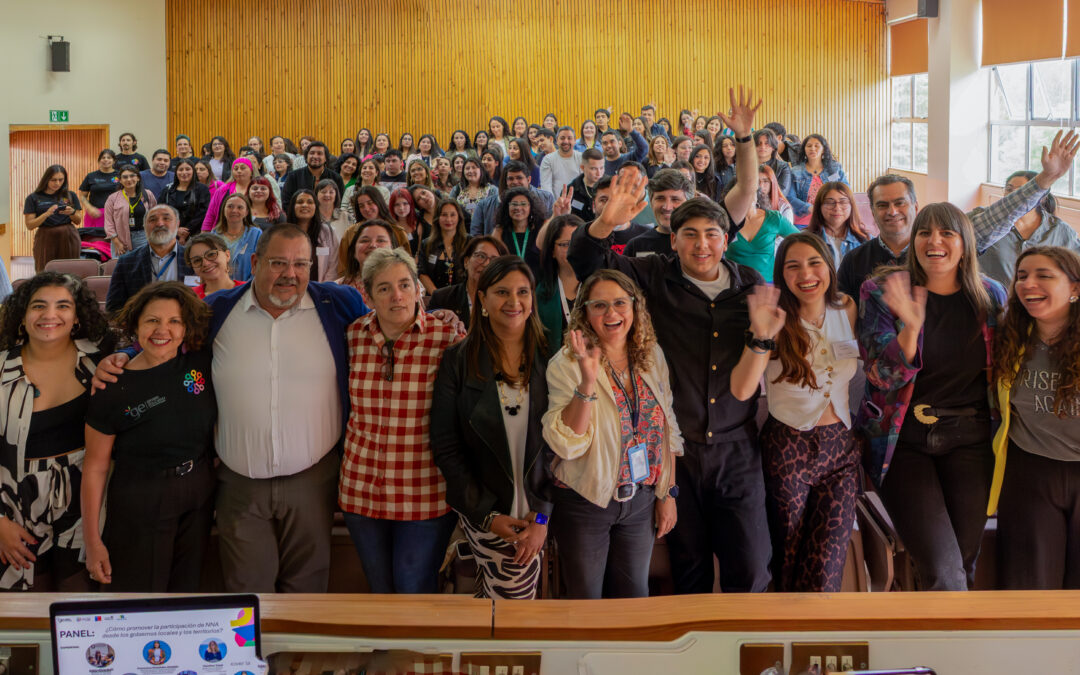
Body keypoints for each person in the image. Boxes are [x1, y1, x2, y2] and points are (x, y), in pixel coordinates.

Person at [566, 87, 768, 594]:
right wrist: (606, 223)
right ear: (672, 238)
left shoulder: (749, 287)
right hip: (678, 451)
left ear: (727, 239)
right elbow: (590, 266)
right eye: (690, 235)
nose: (702, 244)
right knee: (690, 569)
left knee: (751, 567)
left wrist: (743, 136)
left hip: (737, 448)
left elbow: (746, 186)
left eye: (712, 234)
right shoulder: (652, 275)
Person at [857, 203, 1007, 591]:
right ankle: (944, 648)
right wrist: (910, 327)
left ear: (964, 243)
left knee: (962, 563)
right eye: (925, 232)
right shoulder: (883, 291)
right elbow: (879, 375)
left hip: (971, 441)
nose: (934, 241)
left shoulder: (990, 297)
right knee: (944, 570)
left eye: (946, 233)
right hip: (904, 442)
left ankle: (933, 637)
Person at [730, 234, 859, 592]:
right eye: (793, 266)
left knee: (826, 567)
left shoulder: (847, 308)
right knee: (786, 556)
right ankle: (784, 637)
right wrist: (761, 335)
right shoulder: (772, 319)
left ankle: (816, 640)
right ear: (782, 274)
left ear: (829, 267)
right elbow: (742, 390)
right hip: (788, 448)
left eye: (814, 262)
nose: (806, 274)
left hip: (840, 451)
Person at [542, 269, 681, 598]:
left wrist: (668, 494)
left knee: (634, 600)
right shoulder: (566, 363)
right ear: (585, 313)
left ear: (635, 307)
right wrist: (587, 382)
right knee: (586, 601)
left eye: (620, 303)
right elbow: (567, 443)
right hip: (586, 500)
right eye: (599, 305)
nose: (611, 313)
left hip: (641, 500)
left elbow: (667, 428)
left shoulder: (651, 355)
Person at [838, 130, 1079, 304]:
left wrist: (1044, 180)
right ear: (871, 209)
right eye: (882, 205)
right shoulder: (857, 263)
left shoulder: (954, 249)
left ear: (915, 205)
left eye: (900, 203)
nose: (892, 211)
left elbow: (999, 215)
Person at [431, 256, 554, 599]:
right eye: (502, 292)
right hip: (484, 511)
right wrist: (487, 516)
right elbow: (447, 446)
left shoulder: (551, 358)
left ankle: (489, 656)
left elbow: (560, 450)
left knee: (506, 615)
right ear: (482, 300)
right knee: (506, 614)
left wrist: (541, 519)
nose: (514, 302)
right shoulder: (458, 360)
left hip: (535, 515)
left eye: (522, 292)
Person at [340, 247, 461, 593]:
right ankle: (387, 650)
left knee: (413, 587)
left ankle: (417, 650)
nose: (397, 296)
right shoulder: (351, 337)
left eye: (406, 284)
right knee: (379, 588)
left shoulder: (447, 338)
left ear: (418, 289)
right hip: (361, 489)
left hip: (424, 491)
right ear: (367, 295)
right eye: (384, 288)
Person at [83, 282, 215, 591]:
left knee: (187, 593)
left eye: (174, 321)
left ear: (186, 328)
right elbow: (95, 467)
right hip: (141, 499)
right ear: (137, 325)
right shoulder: (113, 385)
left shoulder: (199, 363)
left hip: (199, 493)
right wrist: (92, 541)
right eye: (152, 320)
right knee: (142, 596)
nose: (162, 330)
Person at [0, 273, 111, 591]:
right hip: (13, 503)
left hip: (85, 500)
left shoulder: (99, 363)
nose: (50, 315)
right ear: (22, 317)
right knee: (25, 606)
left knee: (79, 602)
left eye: (63, 306)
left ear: (76, 318)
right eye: (38, 306)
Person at [990, 246, 1080, 590]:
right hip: (1031, 471)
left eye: (1044, 275)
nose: (1028, 284)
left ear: (1075, 288)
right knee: (1029, 586)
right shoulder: (1009, 336)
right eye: (1022, 276)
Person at [978, 171, 1080, 287]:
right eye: (1009, 189)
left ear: (1041, 197)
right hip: (993, 301)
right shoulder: (986, 221)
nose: (1013, 196)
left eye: (1021, 191)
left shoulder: (1061, 231)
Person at [106, 205, 195, 313]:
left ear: (177, 224)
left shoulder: (193, 259)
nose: (160, 224)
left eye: (166, 218)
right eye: (152, 220)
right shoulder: (126, 262)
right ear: (144, 226)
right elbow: (113, 308)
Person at [724, 166, 799, 282]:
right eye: (739, 192)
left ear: (757, 193)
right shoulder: (723, 221)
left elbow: (803, 241)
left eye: (749, 191)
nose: (745, 196)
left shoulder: (774, 218)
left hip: (767, 285)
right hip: (734, 287)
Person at [428, 236, 508, 331]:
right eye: (481, 256)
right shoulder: (441, 297)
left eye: (494, 260)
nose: (486, 264)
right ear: (466, 262)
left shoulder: (505, 301)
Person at [535, 215, 582, 352]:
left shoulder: (599, 287)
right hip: (555, 368)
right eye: (565, 244)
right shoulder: (539, 293)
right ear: (552, 251)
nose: (573, 248)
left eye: (578, 242)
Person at [23, 165, 83, 272]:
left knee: (70, 270)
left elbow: (78, 220)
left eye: (61, 180)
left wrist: (72, 212)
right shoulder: (33, 198)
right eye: (53, 180)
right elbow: (30, 225)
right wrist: (46, 214)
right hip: (45, 237)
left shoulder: (70, 195)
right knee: (45, 270)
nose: (57, 183)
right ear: (46, 179)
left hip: (68, 235)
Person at [623, 169, 693, 258]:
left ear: (688, 204)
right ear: (651, 203)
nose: (667, 207)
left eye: (675, 199)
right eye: (660, 198)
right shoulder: (636, 246)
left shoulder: (699, 244)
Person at [788, 134, 848, 227]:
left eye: (817, 145)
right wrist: (810, 208)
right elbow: (790, 197)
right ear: (804, 149)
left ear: (823, 149)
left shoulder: (835, 168)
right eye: (809, 146)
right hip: (803, 222)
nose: (812, 148)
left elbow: (846, 190)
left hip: (830, 218)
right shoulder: (795, 172)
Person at [804, 182, 868, 267]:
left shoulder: (865, 240)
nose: (837, 208)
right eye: (830, 202)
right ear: (819, 207)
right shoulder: (806, 239)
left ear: (851, 205)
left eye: (843, 202)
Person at [337, 219, 409, 290]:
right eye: (365, 240)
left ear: (393, 248)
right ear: (354, 251)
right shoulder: (338, 289)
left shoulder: (407, 283)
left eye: (381, 240)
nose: (373, 245)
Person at [103, 164, 157, 256]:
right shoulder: (113, 198)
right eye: (125, 177)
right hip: (120, 239)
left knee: (142, 267)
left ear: (138, 178)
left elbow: (155, 216)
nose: (129, 179)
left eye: (132, 176)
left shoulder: (147, 194)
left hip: (143, 237)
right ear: (120, 180)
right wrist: (117, 242)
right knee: (121, 268)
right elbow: (109, 223)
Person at [418, 200, 470, 294]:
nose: (448, 219)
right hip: (435, 298)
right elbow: (422, 273)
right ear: (437, 218)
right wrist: (438, 296)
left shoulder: (470, 242)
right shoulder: (426, 244)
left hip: (464, 297)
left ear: (459, 217)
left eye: (452, 215)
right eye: (444, 215)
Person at [492, 187, 544, 274]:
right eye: (514, 204)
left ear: (530, 207)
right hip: (508, 280)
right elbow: (494, 260)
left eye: (523, 204)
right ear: (507, 207)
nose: (518, 208)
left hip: (536, 282)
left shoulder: (539, 230)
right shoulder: (499, 231)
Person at [211, 193, 262, 282]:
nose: (234, 210)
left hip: (247, 288)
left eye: (240, 207)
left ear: (246, 212)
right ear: (223, 210)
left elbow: (260, 265)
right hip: (220, 288)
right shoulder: (214, 234)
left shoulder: (256, 234)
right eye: (230, 206)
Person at [201, 157, 261, 232]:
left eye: (243, 168)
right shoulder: (223, 189)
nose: (239, 171)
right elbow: (211, 214)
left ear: (251, 170)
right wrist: (205, 233)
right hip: (224, 231)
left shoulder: (259, 189)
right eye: (236, 169)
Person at [281, 142, 345, 210]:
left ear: (325, 158)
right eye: (312, 153)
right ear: (306, 156)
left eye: (319, 153)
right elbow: (286, 202)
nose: (315, 156)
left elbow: (339, 202)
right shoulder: (293, 176)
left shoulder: (336, 178)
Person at [160, 159, 212, 242]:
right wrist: (176, 230)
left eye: (187, 169)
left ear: (193, 172)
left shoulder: (202, 189)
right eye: (180, 170)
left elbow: (203, 213)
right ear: (176, 172)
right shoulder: (167, 190)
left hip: (195, 235)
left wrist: (186, 231)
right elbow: (161, 211)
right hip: (170, 234)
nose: (184, 172)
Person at [185, 232, 240, 299]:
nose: (205, 263)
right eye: (197, 260)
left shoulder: (249, 290)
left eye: (211, 254)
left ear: (227, 255)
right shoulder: (189, 298)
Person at [79, 150, 121, 230]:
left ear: (114, 161)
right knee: (92, 240)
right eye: (103, 157)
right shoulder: (91, 176)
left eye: (109, 157)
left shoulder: (120, 175)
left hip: (114, 213)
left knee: (111, 240)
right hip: (94, 214)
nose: (106, 160)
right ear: (99, 160)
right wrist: (89, 208)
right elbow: (82, 196)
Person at [450, 158, 498, 224]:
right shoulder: (457, 189)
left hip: (484, 230)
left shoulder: (492, 190)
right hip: (462, 229)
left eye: (474, 167)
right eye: (467, 168)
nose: (470, 171)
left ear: (481, 170)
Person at [566, 149, 606, 224]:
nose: (599, 173)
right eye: (593, 168)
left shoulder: (610, 186)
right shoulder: (571, 190)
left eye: (601, 168)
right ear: (582, 168)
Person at [540, 127, 582, 196]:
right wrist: (554, 205)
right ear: (557, 140)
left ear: (574, 140)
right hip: (554, 204)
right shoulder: (548, 159)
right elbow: (546, 186)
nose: (566, 141)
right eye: (562, 138)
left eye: (569, 138)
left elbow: (584, 184)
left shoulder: (581, 158)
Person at [754, 129, 792, 195]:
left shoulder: (783, 167)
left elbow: (782, 192)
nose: (762, 147)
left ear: (773, 147)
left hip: (773, 203)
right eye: (759, 143)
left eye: (767, 143)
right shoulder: (744, 166)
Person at [315, 178, 352, 244]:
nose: (327, 195)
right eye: (323, 192)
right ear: (316, 195)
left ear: (336, 195)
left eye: (331, 192)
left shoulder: (346, 217)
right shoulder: (312, 216)